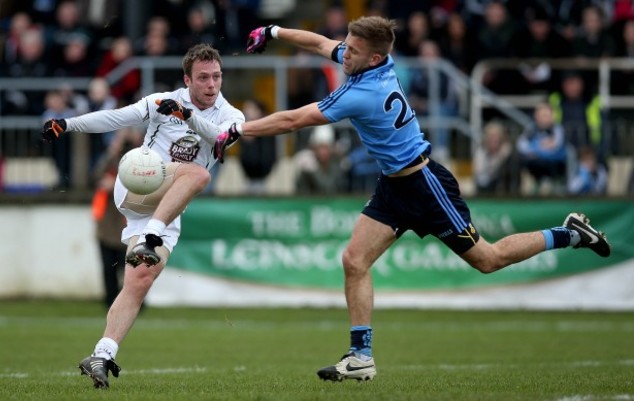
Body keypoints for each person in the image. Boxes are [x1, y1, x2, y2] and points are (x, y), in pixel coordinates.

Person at [213, 16, 612, 382]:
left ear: (372, 56)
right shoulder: (371, 61)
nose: (342, 52)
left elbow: (293, 120)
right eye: (346, 46)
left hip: (425, 186)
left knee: (488, 260)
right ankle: (361, 356)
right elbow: (320, 43)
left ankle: (568, 233)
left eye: (350, 50)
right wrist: (274, 33)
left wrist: (239, 130)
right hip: (394, 185)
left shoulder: (363, 93)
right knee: (354, 260)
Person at [41, 43, 245, 389]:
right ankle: (150, 236)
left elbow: (223, 138)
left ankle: (101, 354)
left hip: (167, 209)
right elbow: (116, 117)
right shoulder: (161, 101)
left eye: (217, 76)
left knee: (139, 281)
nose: (212, 84)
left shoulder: (231, 115)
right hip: (137, 183)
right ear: (187, 80)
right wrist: (67, 123)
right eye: (204, 78)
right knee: (198, 174)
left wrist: (188, 115)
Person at [91, 127, 142, 309]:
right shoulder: (110, 160)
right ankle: (110, 300)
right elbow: (96, 175)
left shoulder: (141, 157)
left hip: (129, 223)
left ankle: (135, 302)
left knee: (132, 267)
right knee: (108, 268)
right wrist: (113, 150)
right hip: (107, 224)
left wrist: (115, 184)